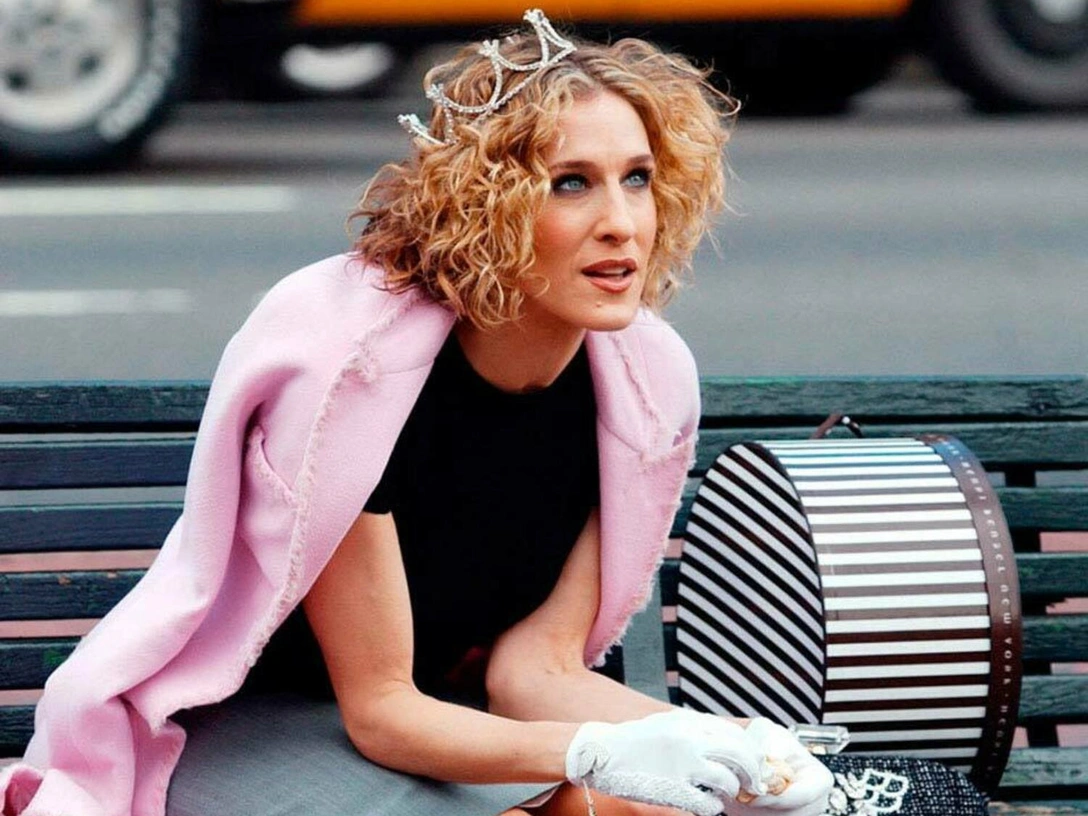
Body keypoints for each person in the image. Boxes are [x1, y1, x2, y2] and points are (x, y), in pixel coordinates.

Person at [0, 10, 833, 816]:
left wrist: (739, 746)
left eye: (638, 178)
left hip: (447, 721)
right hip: (251, 726)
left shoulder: (643, 380)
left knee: (654, 810)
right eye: (571, 183)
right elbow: (381, 707)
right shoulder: (358, 376)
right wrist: (594, 752)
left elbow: (534, 670)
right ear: (489, 203)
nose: (622, 223)